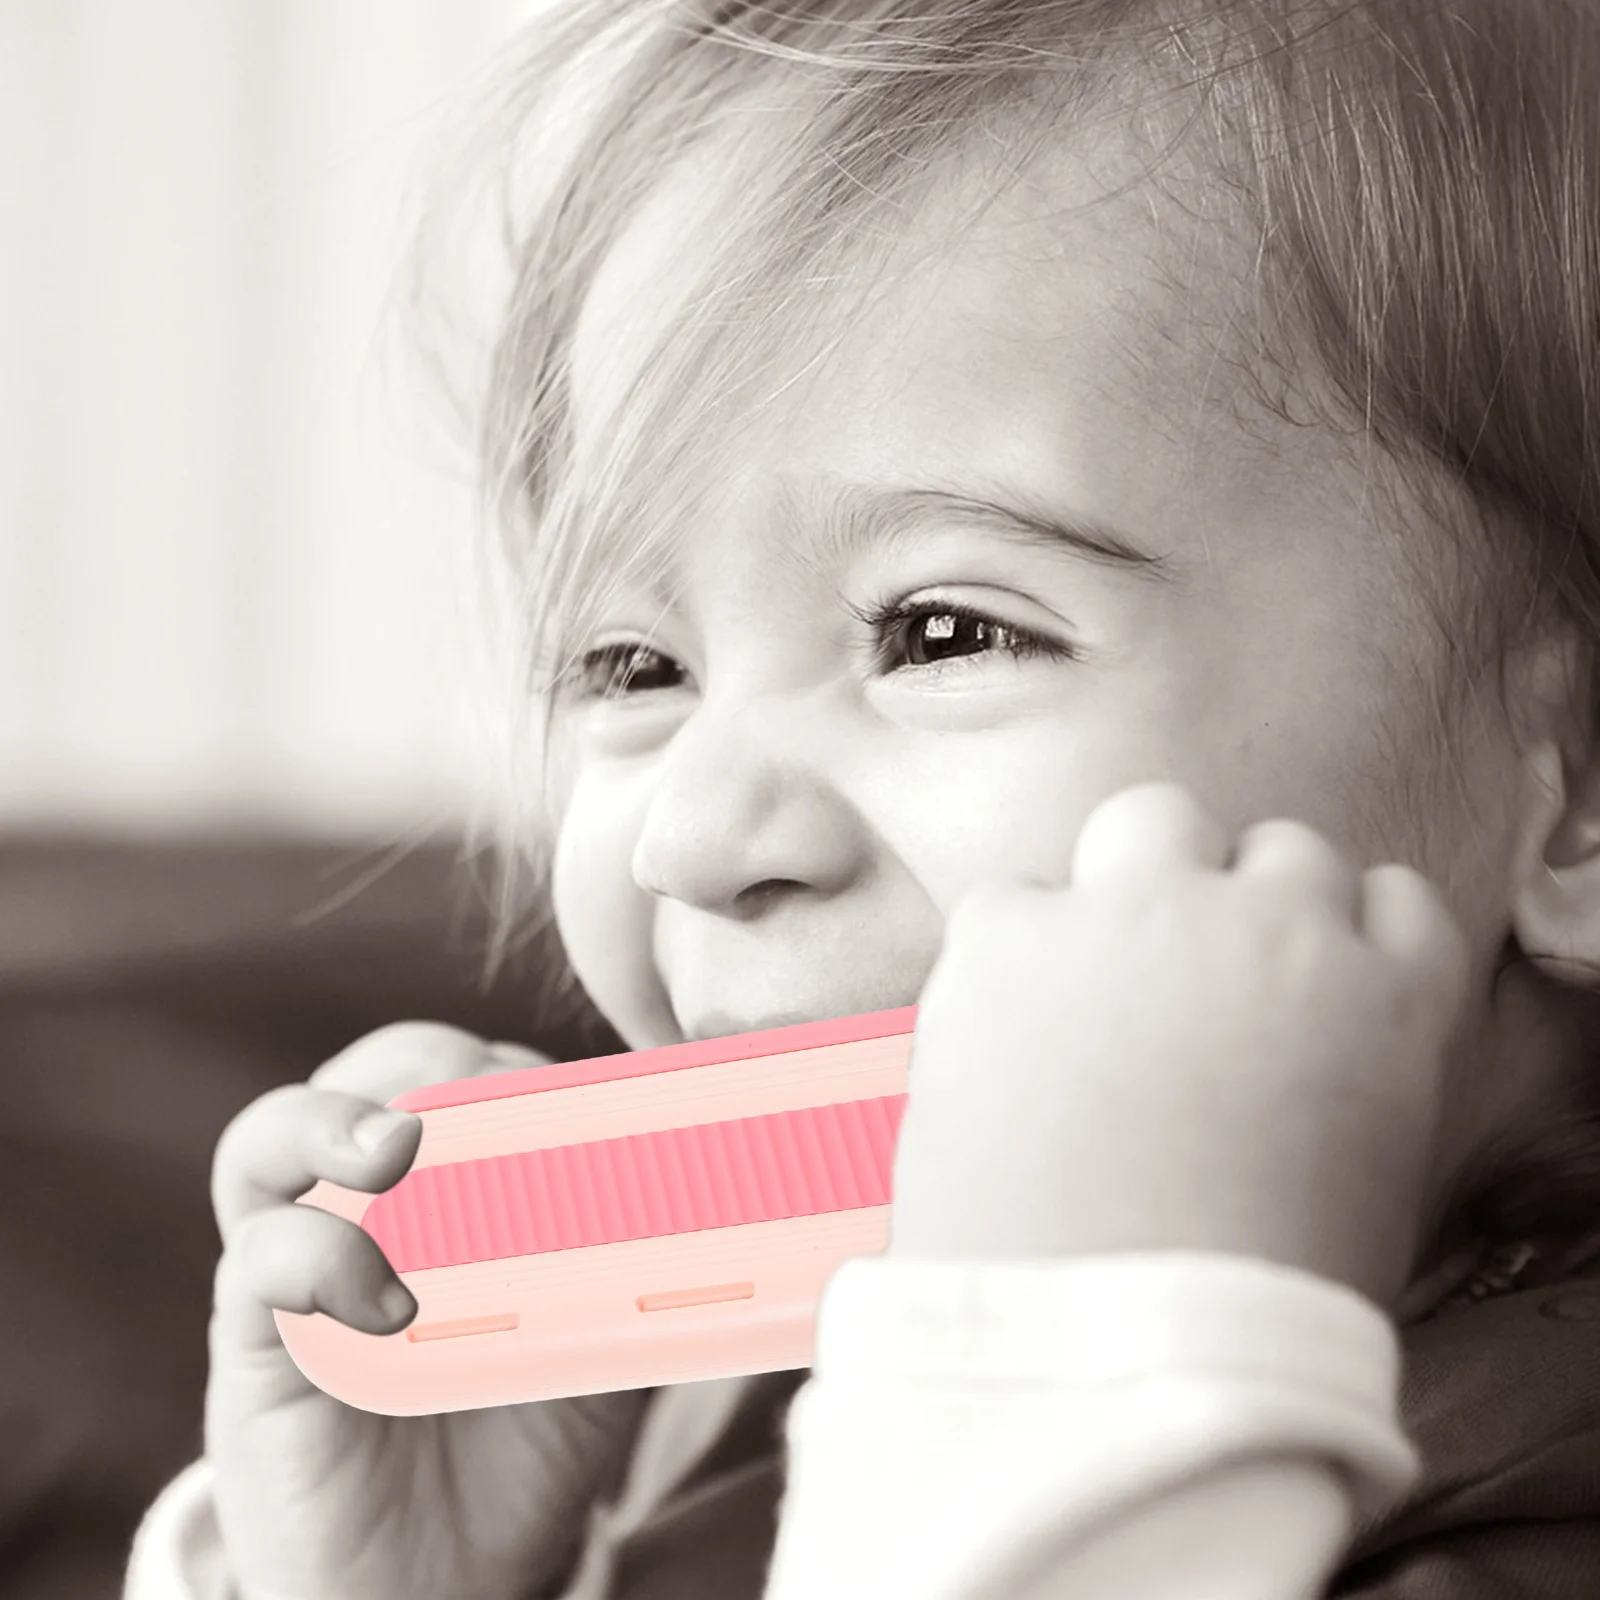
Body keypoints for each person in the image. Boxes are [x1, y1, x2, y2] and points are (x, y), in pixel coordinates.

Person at [125, 0, 1600, 1594]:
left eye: (946, 629)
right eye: (632, 667)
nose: (694, 839)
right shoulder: (726, 1417)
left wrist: (1057, 1386)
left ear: (1575, 786)